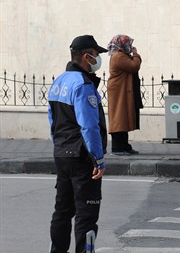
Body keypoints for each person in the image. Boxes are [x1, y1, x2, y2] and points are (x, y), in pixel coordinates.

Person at [48, 35, 108, 253]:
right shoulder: (83, 85)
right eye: (97, 55)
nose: (98, 59)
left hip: (62, 154)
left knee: (62, 210)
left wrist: (59, 147)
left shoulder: (59, 81)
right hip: (82, 157)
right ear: (86, 56)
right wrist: (98, 159)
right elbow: (89, 126)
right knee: (86, 214)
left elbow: (52, 121)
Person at [107, 34, 142, 156]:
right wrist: (136, 54)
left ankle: (124, 146)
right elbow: (134, 66)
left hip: (121, 89)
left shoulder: (120, 55)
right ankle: (117, 148)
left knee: (124, 118)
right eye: (128, 44)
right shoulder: (119, 56)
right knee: (119, 118)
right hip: (119, 91)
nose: (130, 46)